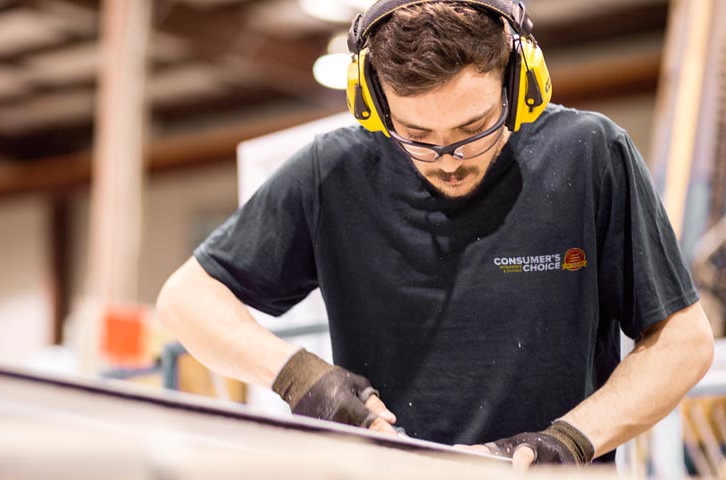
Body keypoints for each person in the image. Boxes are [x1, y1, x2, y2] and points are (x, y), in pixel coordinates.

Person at [156, 0, 714, 470]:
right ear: (374, 104)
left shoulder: (589, 156)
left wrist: (568, 440)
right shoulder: (333, 173)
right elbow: (186, 300)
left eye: (473, 130)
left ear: (519, 86)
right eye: (417, 135)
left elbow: (683, 344)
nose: (448, 160)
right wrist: (298, 377)